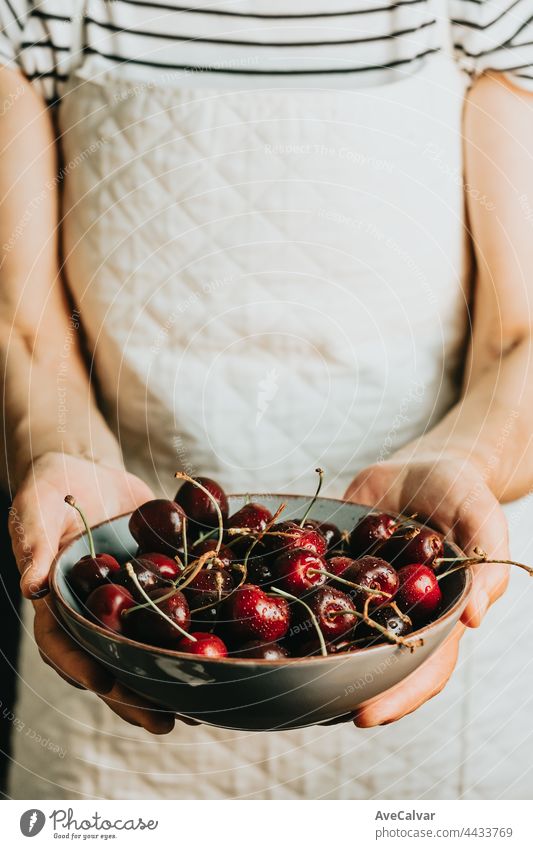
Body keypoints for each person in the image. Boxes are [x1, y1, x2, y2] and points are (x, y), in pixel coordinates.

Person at [1, 0, 533, 800]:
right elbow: (29, 333)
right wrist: (63, 470)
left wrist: (465, 459)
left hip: (415, 644)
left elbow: (518, 334)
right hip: (129, 637)